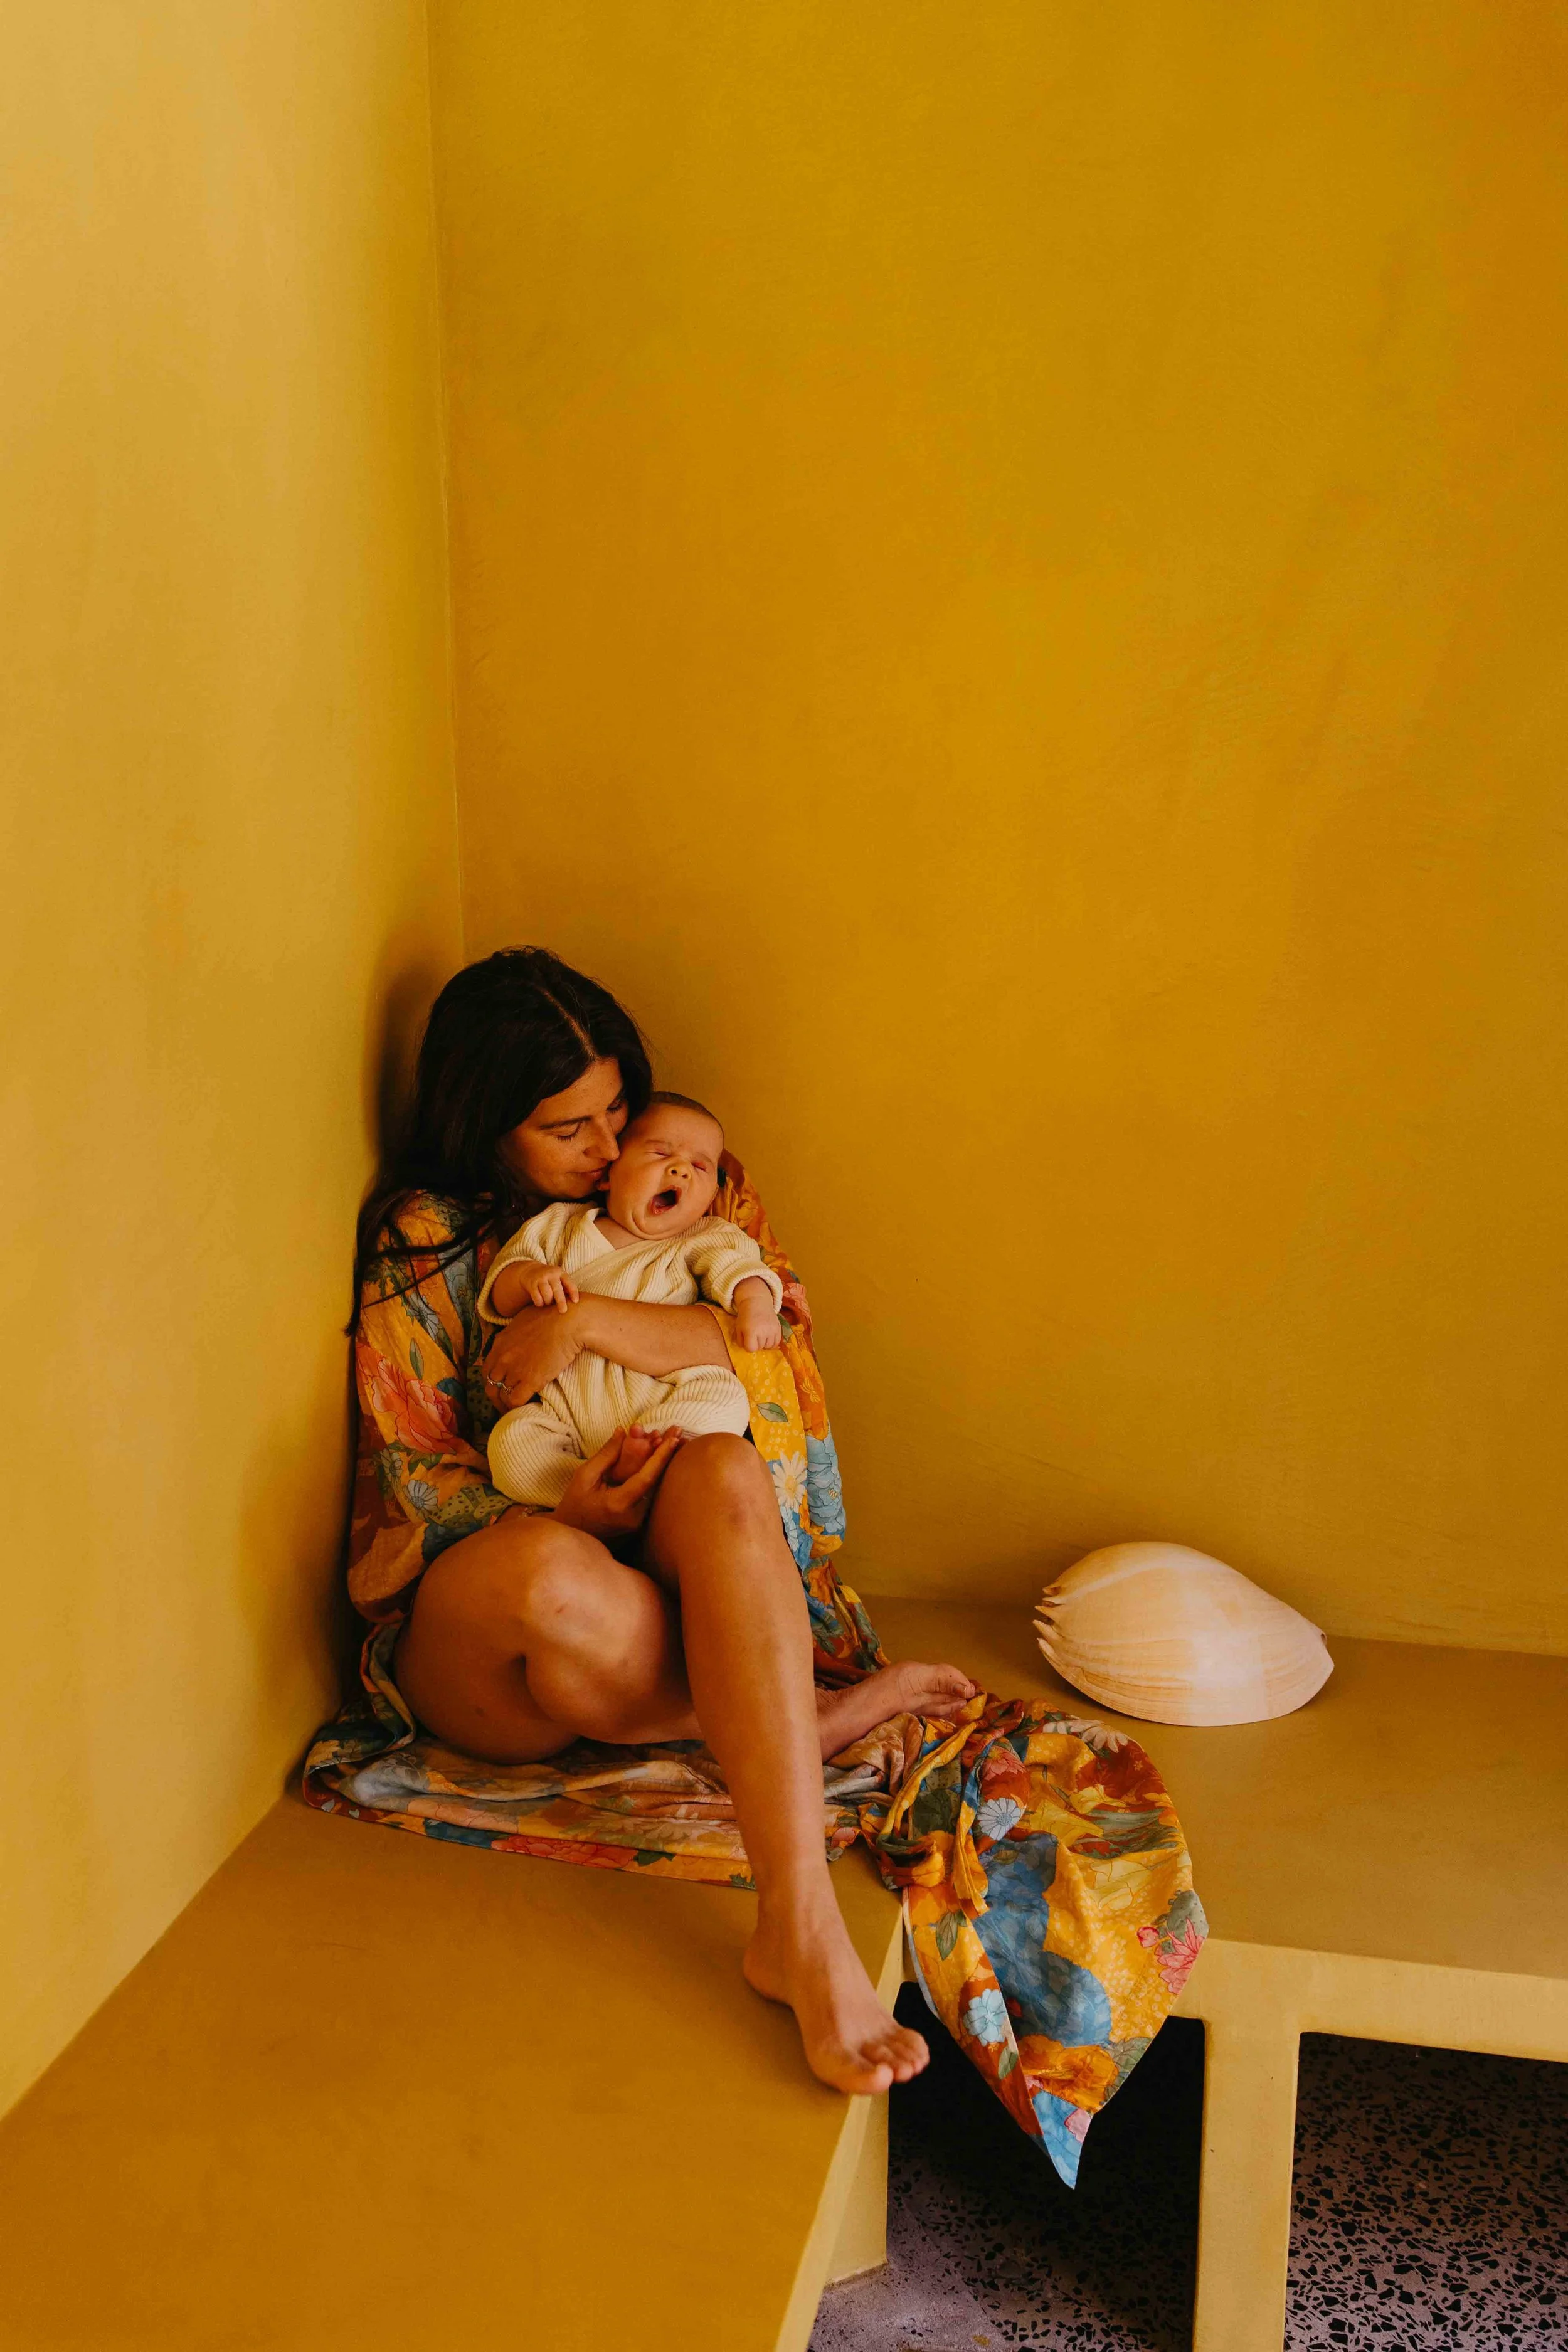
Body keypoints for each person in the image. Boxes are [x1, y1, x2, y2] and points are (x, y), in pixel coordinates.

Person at [351, 947, 976, 2098]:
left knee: (727, 1470)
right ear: (491, 1130)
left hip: (661, 1580)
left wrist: (583, 1322)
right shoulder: (432, 1239)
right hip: (504, 1623)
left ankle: (795, 1926)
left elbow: (765, 1360)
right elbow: (409, 1471)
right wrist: (566, 1503)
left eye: (616, 1115)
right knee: (549, 1575)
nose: (608, 1153)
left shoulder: (687, 1176)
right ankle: (803, 1716)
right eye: (568, 1131)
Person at [479, 1091, 784, 1507]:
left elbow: (742, 1269)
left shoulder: (704, 1236)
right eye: (660, 1153)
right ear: (608, 1174)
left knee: (723, 1397)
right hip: (564, 1410)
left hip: (658, 1393)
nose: (680, 1170)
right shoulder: (559, 1225)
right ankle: (588, 1490)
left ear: (711, 1196)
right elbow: (503, 1286)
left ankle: (649, 1459)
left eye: (699, 1166)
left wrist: (756, 1305)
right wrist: (528, 1276)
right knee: (511, 1446)